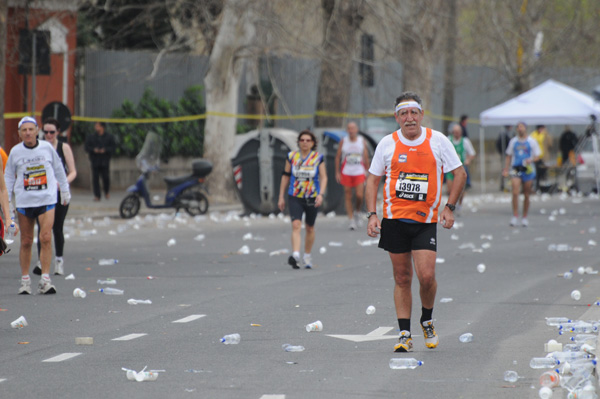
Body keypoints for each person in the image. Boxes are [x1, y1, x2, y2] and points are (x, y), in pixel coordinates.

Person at [365, 92, 466, 353]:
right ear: (396, 117)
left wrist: (449, 207)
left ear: (421, 114)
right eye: (403, 113)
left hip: (424, 221)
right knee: (401, 277)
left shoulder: (438, 141)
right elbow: (372, 180)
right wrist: (372, 214)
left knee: (427, 276)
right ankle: (404, 334)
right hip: (394, 220)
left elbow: (460, 173)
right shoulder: (387, 144)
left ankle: (427, 319)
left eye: (413, 113)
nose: (409, 118)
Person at [5, 116, 70, 295]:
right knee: (26, 241)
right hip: (25, 201)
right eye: (24, 130)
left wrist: (64, 190)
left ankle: (45, 279)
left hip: (46, 199)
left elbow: (59, 169)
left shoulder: (46, 148)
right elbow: (8, 177)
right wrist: (7, 203)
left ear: (36, 131)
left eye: (30, 129)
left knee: (46, 237)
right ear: (19, 134)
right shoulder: (16, 152)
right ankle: (25, 280)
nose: (27, 133)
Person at [32, 118, 77, 276]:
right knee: (42, 228)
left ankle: (59, 260)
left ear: (58, 132)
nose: (49, 135)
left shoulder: (63, 147)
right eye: (46, 132)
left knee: (57, 227)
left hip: (59, 194)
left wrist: (61, 183)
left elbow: (72, 172)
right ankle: (40, 260)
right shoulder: (39, 147)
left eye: (52, 132)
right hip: (42, 193)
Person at [278, 130, 327, 270]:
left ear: (312, 143)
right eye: (302, 140)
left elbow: (324, 177)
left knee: (310, 227)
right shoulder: (292, 157)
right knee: (296, 225)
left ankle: (307, 255)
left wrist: (321, 194)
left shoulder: (318, 158)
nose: (305, 143)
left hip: (312, 196)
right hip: (295, 196)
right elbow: (286, 175)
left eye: (308, 140)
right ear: (298, 142)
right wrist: (281, 196)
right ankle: (295, 255)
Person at [502, 122, 541, 227]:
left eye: (522, 127)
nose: (520, 129)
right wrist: (506, 169)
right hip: (516, 168)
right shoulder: (513, 141)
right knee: (515, 192)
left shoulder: (531, 141)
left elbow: (537, 156)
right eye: (518, 127)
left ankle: (524, 217)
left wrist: (531, 159)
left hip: (528, 169)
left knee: (526, 194)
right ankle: (515, 215)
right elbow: (508, 155)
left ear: (525, 129)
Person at [335, 121, 370, 230]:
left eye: (353, 128)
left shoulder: (361, 141)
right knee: (348, 195)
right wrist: (337, 172)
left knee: (359, 195)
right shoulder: (343, 141)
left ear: (356, 130)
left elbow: (366, 156)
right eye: (349, 129)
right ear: (347, 130)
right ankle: (351, 220)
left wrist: (368, 171)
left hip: (359, 171)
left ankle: (357, 212)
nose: (351, 131)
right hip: (346, 171)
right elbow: (338, 157)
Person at [446, 122, 475, 212]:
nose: (456, 133)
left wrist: (468, 160)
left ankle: (459, 204)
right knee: (450, 189)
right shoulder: (448, 140)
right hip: (450, 168)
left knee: (460, 190)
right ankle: (451, 205)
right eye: (455, 132)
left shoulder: (465, 141)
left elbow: (472, 153)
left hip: (461, 168)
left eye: (458, 132)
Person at [85, 122, 116, 201]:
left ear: (103, 127)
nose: (97, 128)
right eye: (96, 126)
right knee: (95, 178)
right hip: (95, 160)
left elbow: (113, 148)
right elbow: (87, 147)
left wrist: (105, 150)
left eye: (98, 126)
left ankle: (106, 191)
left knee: (105, 177)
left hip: (105, 161)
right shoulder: (91, 137)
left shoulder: (109, 137)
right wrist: (94, 150)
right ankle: (97, 195)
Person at [530, 125, 552, 191]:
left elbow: (550, 144)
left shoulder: (546, 135)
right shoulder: (533, 135)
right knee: (536, 173)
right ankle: (536, 187)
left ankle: (543, 187)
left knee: (544, 172)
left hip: (544, 157)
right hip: (536, 157)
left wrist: (546, 135)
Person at [496, 125, 512, 191]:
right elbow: (498, 144)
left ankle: (506, 185)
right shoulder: (504, 134)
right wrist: (502, 152)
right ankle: (504, 185)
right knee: (505, 169)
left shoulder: (505, 134)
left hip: (505, 154)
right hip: (505, 154)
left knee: (506, 169)